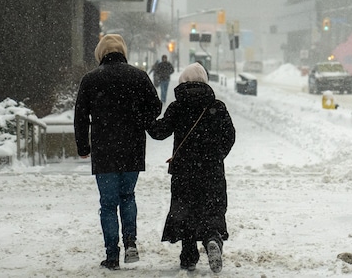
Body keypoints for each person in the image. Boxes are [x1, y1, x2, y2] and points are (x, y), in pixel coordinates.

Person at [74, 34, 162, 271]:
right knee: (128, 196)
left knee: (108, 203)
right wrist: (139, 119)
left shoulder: (91, 79)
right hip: (132, 147)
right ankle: (131, 242)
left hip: (104, 149)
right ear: (123, 51)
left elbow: (80, 115)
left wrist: (83, 146)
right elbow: (155, 106)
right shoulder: (138, 76)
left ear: (100, 53)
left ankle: (112, 254)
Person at [147, 62, 236, 273]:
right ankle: (212, 239)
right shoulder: (217, 107)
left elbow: (159, 132)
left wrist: (145, 118)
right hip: (212, 170)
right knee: (212, 208)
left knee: (185, 210)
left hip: (184, 171)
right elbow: (229, 136)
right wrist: (217, 156)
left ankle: (189, 256)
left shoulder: (178, 107)